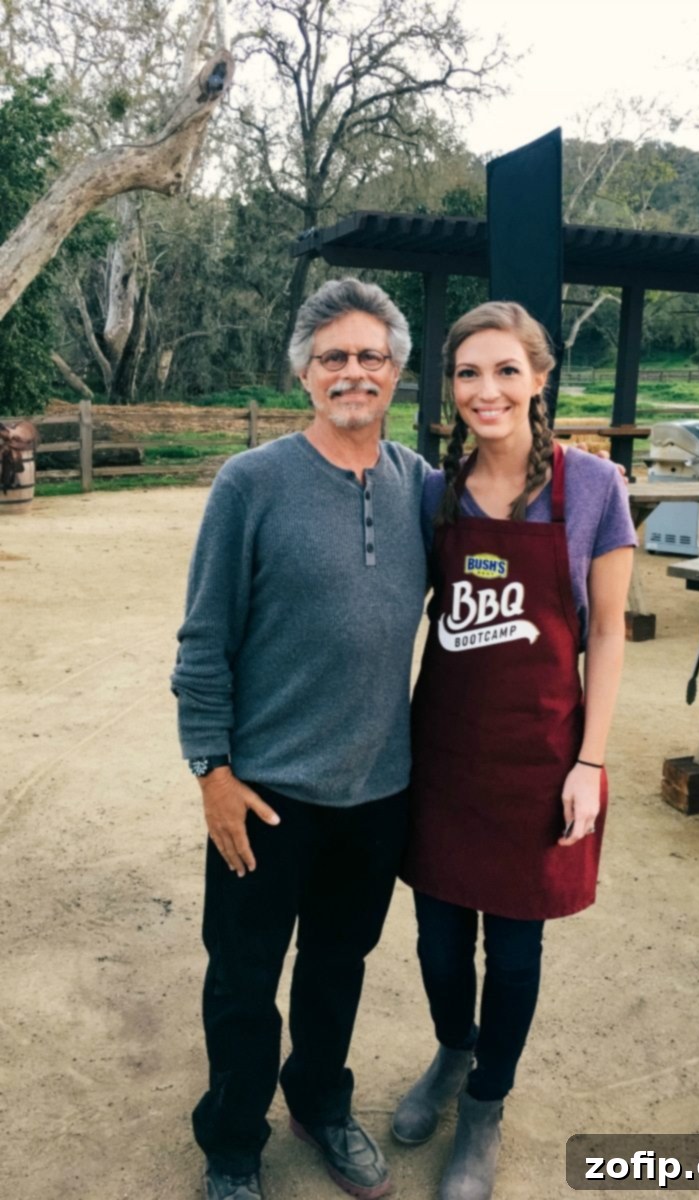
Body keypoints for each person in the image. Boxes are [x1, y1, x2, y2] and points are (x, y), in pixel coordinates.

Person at [171, 277, 430, 1200]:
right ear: (305, 375)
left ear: (395, 371)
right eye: (333, 357)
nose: (352, 371)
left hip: (377, 793)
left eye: (369, 355)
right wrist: (211, 770)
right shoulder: (253, 483)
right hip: (265, 792)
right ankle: (234, 1145)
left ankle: (320, 1101)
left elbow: (513, 517)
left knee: (337, 968)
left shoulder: (419, 489)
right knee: (244, 980)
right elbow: (204, 641)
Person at [392, 301, 637, 1200]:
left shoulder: (595, 489)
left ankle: (486, 1106)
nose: (484, 390)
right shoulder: (433, 489)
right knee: (438, 943)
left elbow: (607, 633)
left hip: (540, 757)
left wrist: (590, 763)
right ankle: (452, 1055)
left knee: (518, 954)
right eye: (467, 373)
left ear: (540, 378)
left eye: (504, 370)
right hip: (448, 755)